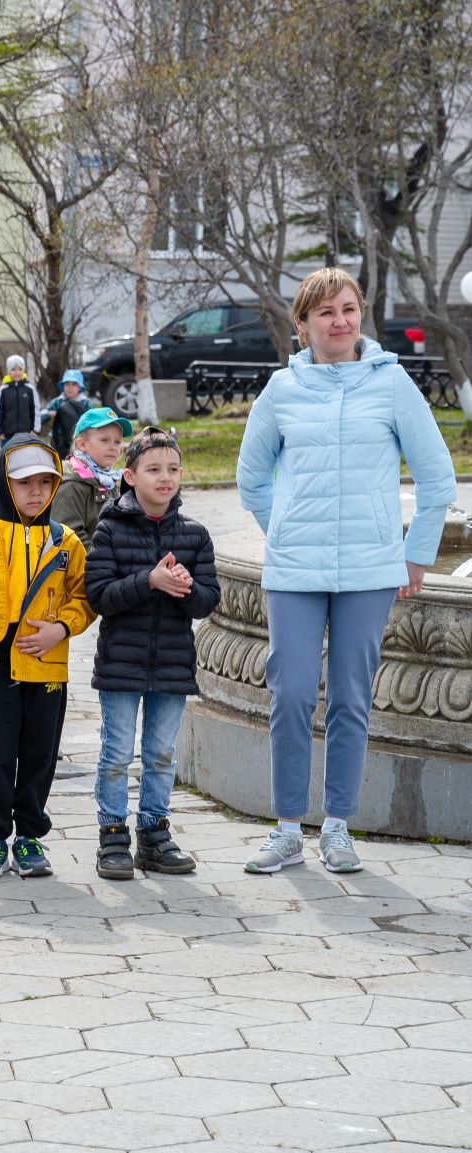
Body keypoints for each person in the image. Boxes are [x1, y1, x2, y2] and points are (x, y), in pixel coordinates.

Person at [236, 267, 457, 874]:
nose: (340, 321)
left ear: (361, 316)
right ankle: (285, 829)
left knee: (352, 698)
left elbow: (437, 477)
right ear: (302, 323)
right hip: (294, 570)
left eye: (350, 309)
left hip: (370, 569)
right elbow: (251, 478)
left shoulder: (392, 386)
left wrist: (416, 553)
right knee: (289, 694)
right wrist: (282, 529)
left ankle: (337, 827)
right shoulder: (281, 390)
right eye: (326, 312)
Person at [0, 434, 93, 880]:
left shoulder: (66, 543)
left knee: (40, 754)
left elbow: (84, 599)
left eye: (46, 482)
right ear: (5, 484)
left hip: (48, 666)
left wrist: (61, 628)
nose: (36, 492)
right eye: (24, 483)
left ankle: (29, 837)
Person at [85, 428, 220, 879]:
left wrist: (184, 588)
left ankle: (155, 835)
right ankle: (112, 837)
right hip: (121, 664)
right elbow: (99, 596)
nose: (165, 478)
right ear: (129, 476)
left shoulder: (195, 535)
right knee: (117, 753)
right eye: (154, 470)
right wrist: (149, 581)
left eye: (173, 469)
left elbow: (207, 601)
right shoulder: (109, 528)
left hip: (173, 664)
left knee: (162, 753)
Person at [52, 407, 132, 541]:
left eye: (117, 442)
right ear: (82, 444)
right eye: (105, 440)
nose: (113, 447)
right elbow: (70, 538)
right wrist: (106, 560)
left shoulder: (108, 479)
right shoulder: (71, 483)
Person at [0, 355, 42, 445]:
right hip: (7, 436)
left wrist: (35, 430)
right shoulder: (3, 389)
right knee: (7, 458)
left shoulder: (30, 389)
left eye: (20, 369)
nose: (17, 372)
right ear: (9, 371)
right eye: (13, 369)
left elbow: (36, 410)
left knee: (26, 458)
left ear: (23, 370)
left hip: (27, 435)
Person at [42, 370, 93, 456]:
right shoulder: (58, 402)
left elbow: (92, 420)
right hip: (59, 439)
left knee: (77, 461)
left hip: (78, 438)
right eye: (67, 384)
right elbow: (41, 415)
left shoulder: (85, 402)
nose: (70, 387)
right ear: (63, 386)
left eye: (74, 384)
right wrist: (49, 413)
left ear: (79, 387)